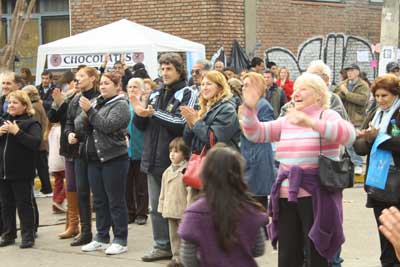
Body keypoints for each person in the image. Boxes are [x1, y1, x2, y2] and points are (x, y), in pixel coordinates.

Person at [240, 72, 356, 267]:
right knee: (287, 255)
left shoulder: (327, 115)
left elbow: (349, 135)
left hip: (316, 196)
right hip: (286, 196)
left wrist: (311, 123)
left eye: (303, 89)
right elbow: (256, 133)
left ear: (319, 94)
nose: (296, 94)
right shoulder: (287, 119)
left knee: (317, 253)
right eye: (295, 90)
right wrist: (250, 108)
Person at [132, 52, 197, 262]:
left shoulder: (187, 93)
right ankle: (161, 246)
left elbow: (180, 122)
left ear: (179, 71)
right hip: (152, 158)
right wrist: (138, 112)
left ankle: (181, 251)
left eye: (169, 69)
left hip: (176, 161)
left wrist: (153, 113)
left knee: (178, 208)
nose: (165, 73)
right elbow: (142, 126)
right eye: (162, 68)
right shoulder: (155, 94)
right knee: (157, 208)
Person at [178, 146, 268, 267]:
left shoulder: (194, 213)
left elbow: (188, 258)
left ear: (205, 175)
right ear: (239, 175)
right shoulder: (250, 209)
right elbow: (258, 249)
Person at [75, 72, 130, 255]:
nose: (103, 87)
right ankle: (101, 237)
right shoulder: (98, 102)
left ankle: (120, 239)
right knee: (99, 201)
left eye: (107, 83)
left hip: (113, 158)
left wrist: (90, 112)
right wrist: (88, 113)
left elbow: (107, 125)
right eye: (102, 84)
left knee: (116, 200)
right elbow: (79, 125)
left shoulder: (121, 104)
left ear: (117, 86)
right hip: (93, 159)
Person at [353, 74, 400, 267]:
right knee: (384, 239)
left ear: (395, 95)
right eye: (377, 96)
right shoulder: (374, 112)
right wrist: (369, 139)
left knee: (394, 238)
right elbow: (358, 146)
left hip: (396, 187)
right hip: (378, 184)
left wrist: (378, 138)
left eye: (385, 96)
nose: (380, 100)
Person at [0, 90, 42, 249]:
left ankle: (28, 235)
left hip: (21, 172)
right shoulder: (3, 121)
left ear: (25, 106)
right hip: (3, 171)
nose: (11, 105)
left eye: (15, 102)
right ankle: (9, 234)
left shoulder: (31, 123)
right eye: (9, 102)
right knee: (6, 204)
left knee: (24, 204)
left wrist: (17, 132)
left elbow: (35, 143)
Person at [65, 66, 100, 246]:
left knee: (101, 194)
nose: (77, 79)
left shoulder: (100, 98)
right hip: (79, 152)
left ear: (93, 78)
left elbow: (100, 125)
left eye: (81, 76)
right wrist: (69, 133)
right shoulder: (75, 99)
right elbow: (68, 122)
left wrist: (79, 134)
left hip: (97, 151)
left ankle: (103, 233)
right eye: (76, 77)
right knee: (82, 192)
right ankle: (85, 231)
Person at [47, 74, 80, 239]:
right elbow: (53, 118)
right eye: (76, 80)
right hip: (67, 148)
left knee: (82, 188)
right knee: (71, 186)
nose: (76, 83)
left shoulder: (86, 98)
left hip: (83, 149)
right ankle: (72, 224)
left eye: (81, 78)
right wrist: (57, 102)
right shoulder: (68, 98)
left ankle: (81, 225)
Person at [182, 70, 241, 154]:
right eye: (202, 84)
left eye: (209, 84)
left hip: (221, 162)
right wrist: (190, 124)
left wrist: (196, 122)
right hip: (204, 162)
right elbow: (188, 142)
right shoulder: (203, 108)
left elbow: (215, 141)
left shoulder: (227, 109)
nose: (204, 88)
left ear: (220, 87)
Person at [240, 72, 275, 207]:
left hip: (258, 159)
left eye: (247, 85)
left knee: (256, 204)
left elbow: (266, 131)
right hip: (248, 155)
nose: (243, 88)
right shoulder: (247, 105)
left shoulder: (263, 105)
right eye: (243, 85)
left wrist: (243, 125)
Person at [158, 137, 189, 267]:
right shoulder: (167, 172)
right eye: (171, 150)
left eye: (176, 151)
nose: (172, 154)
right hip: (170, 210)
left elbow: (190, 194)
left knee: (185, 237)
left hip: (183, 211)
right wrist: (161, 206)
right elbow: (163, 192)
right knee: (174, 237)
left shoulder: (187, 171)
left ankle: (186, 258)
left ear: (184, 154)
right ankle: (176, 258)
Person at [334, 63, 370, 175]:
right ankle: (354, 163)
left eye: (352, 71)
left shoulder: (363, 85)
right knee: (347, 143)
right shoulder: (342, 84)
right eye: (348, 71)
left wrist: (347, 93)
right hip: (344, 118)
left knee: (354, 142)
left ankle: (358, 164)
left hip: (357, 118)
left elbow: (362, 100)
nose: (349, 73)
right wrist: (342, 92)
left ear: (357, 72)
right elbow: (335, 98)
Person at [22, 86, 53, 199]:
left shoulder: (34, 107)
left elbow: (36, 127)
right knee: (41, 166)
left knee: (41, 167)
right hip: (42, 141)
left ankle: (46, 189)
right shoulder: (38, 105)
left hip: (38, 143)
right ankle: (46, 188)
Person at [126, 78, 148, 225]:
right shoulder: (123, 105)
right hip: (125, 152)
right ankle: (130, 212)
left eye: (135, 87)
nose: (132, 89)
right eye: (130, 87)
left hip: (141, 150)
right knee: (126, 185)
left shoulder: (144, 106)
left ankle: (141, 213)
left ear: (141, 90)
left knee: (141, 185)